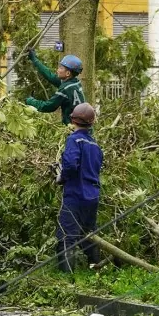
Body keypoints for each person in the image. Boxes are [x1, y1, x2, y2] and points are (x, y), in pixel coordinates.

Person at [56, 103, 102, 273]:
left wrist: (61, 177)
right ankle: (95, 268)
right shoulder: (95, 145)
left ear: (73, 119)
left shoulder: (73, 140)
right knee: (88, 234)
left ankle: (66, 277)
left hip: (75, 194)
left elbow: (70, 165)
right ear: (92, 122)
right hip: (93, 196)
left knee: (67, 235)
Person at [25, 50, 87, 125]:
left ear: (68, 73)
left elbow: (48, 106)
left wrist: (30, 101)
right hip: (84, 126)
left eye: (61, 68)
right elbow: (50, 76)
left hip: (74, 129)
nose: (57, 70)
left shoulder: (65, 88)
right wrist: (34, 59)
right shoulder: (75, 82)